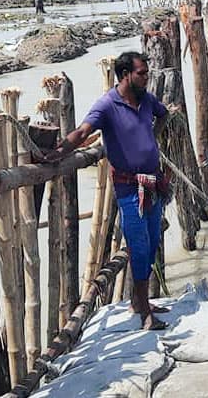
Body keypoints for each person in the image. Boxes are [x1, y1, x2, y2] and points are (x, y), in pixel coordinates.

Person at [45, 51, 170, 330]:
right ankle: (144, 313)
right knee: (138, 247)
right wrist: (57, 153)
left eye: (146, 72)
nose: (146, 77)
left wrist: (152, 137)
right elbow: (82, 132)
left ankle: (140, 302)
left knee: (151, 244)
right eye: (141, 73)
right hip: (129, 189)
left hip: (153, 184)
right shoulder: (107, 105)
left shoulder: (147, 100)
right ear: (125, 75)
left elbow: (163, 116)